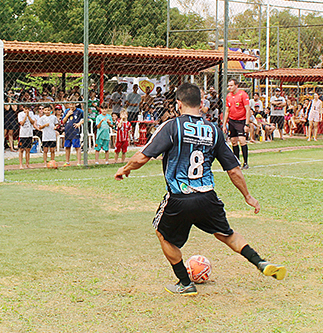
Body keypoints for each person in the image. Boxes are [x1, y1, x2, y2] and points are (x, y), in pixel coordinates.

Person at [114, 83, 286, 296]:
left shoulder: (172, 126)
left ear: (178, 104)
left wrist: (125, 168)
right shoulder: (213, 130)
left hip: (180, 197)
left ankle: (185, 283)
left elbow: (142, 156)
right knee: (227, 234)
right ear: (201, 103)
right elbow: (233, 169)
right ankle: (260, 262)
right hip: (207, 197)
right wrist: (248, 196)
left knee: (163, 234)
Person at [222, 78, 251, 169]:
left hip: (241, 121)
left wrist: (246, 124)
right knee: (234, 142)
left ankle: (245, 162)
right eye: (229, 85)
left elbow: (247, 110)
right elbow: (227, 111)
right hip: (232, 120)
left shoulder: (243, 95)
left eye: (231, 85)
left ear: (236, 86)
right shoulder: (228, 96)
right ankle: (237, 162)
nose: (229, 87)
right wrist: (224, 124)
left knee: (242, 141)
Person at [62, 98, 84, 167]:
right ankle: (67, 162)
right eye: (70, 104)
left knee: (77, 147)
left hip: (75, 131)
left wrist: (79, 124)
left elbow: (85, 118)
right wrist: (67, 115)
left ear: (76, 104)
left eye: (73, 104)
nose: (71, 106)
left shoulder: (79, 111)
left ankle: (79, 162)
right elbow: (63, 121)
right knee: (67, 147)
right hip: (68, 131)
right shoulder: (66, 111)